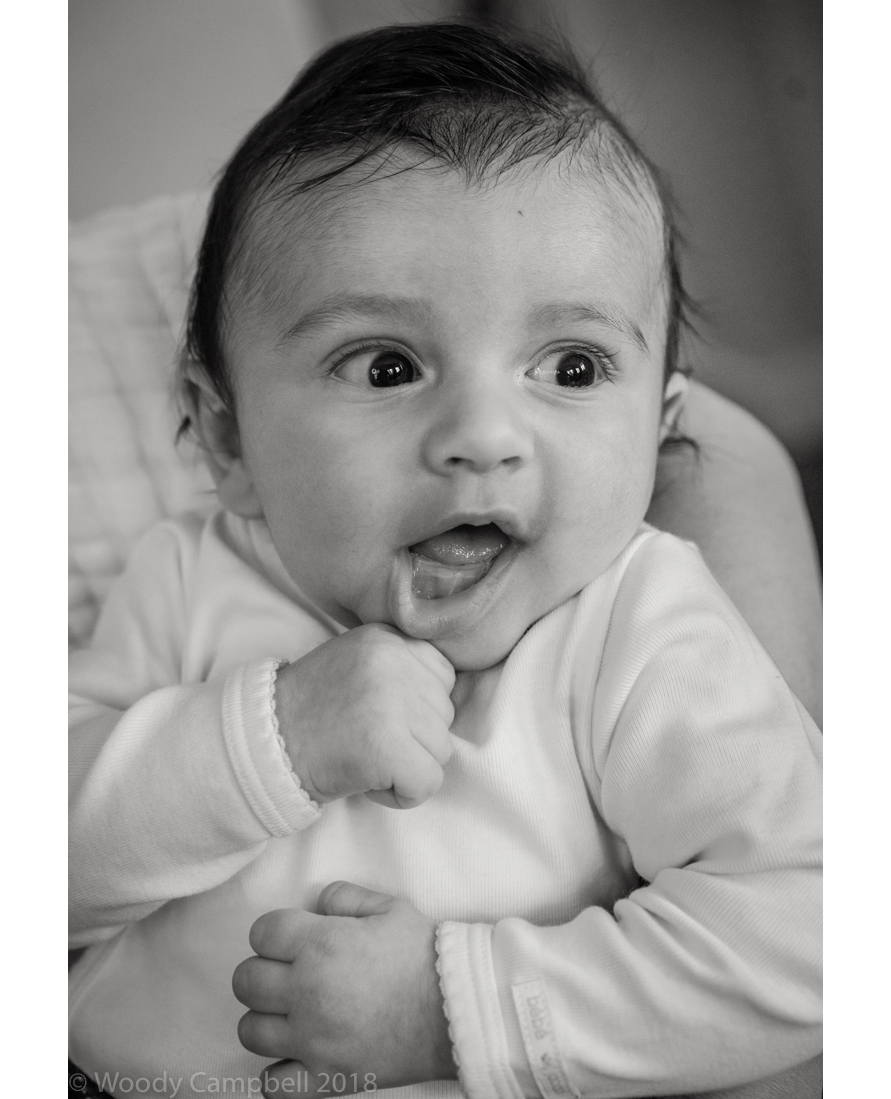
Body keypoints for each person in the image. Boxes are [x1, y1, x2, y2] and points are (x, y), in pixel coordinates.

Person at [69, 23, 821, 1099]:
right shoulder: (188, 578)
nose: (482, 435)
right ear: (227, 437)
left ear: (660, 430)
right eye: (386, 365)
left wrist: (451, 1008)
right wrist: (272, 738)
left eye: (571, 366)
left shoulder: (640, 627)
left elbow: (809, 929)